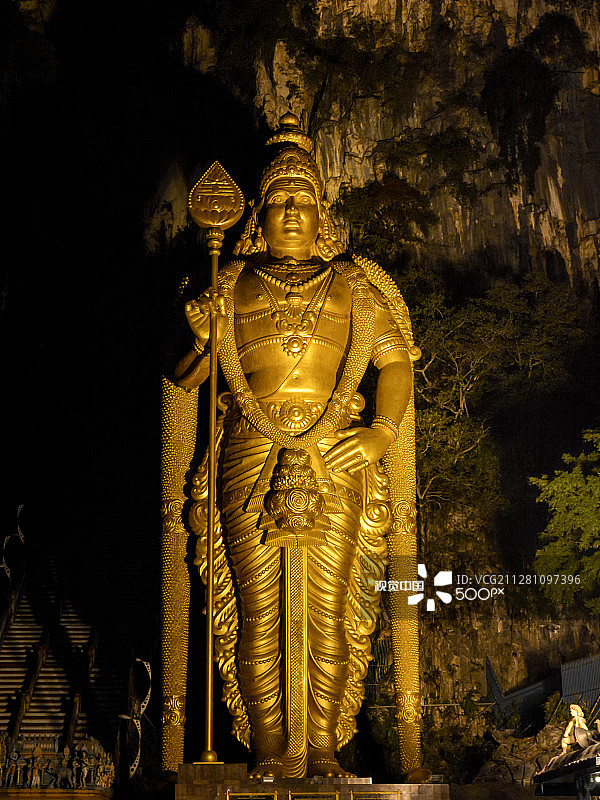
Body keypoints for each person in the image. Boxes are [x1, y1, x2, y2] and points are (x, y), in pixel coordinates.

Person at [175, 113, 420, 779]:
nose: (290, 213)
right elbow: (187, 378)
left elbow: (396, 362)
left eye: (303, 201)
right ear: (258, 213)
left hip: (333, 452)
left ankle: (322, 750)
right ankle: (268, 750)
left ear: (322, 216)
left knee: (329, 611)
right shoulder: (230, 282)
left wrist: (381, 431)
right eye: (279, 200)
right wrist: (202, 335)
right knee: (257, 612)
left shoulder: (353, 284)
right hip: (249, 452)